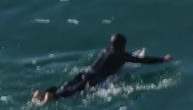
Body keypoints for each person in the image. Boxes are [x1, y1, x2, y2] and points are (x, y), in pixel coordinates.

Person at [31, 33, 174, 103]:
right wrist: (163, 59)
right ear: (120, 45)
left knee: (66, 85)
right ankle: (51, 97)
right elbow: (142, 60)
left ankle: (45, 93)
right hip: (93, 79)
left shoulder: (106, 50)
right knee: (72, 92)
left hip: (85, 73)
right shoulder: (120, 55)